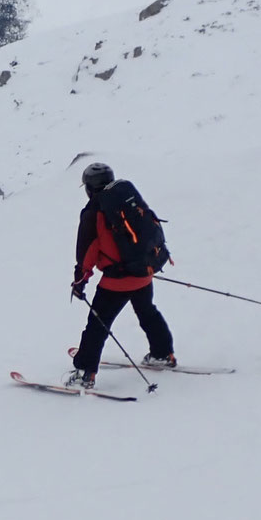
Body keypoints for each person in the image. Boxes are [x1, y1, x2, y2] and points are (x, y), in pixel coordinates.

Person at [67, 161, 176, 390]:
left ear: (89, 188)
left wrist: (79, 281)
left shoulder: (93, 212)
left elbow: (87, 253)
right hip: (143, 273)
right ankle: (163, 353)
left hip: (117, 281)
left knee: (97, 325)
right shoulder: (126, 196)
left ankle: (84, 373)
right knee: (148, 312)